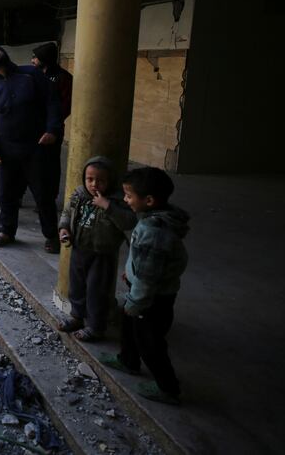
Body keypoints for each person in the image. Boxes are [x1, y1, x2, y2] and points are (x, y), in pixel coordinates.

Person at [99, 167, 189, 405]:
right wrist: (131, 275)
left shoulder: (154, 232)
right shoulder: (152, 220)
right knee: (128, 326)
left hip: (152, 299)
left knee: (150, 343)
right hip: (143, 290)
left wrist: (137, 301)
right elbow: (144, 264)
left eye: (129, 196)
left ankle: (168, 387)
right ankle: (128, 360)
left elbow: (149, 275)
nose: (125, 200)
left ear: (149, 200)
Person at [0, 44, 62, 252]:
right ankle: (7, 231)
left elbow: (53, 102)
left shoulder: (31, 74)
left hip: (35, 147)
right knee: (6, 194)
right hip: (7, 151)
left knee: (43, 195)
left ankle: (52, 235)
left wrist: (52, 129)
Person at [57, 156, 136, 341]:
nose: (94, 184)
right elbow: (67, 213)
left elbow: (128, 223)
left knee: (96, 292)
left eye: (101, 181)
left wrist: (107, 206)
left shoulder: (117, 201)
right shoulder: (80, 195)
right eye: (90, 179)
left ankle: (95, 326)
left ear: (110, 181)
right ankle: (76, 316)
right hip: (79, 249)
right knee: (76, 287)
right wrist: (64, 229)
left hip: (102, 254)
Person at [31, 42, 74, 204]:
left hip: (51, 130)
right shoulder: (34, 75)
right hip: (33, 127)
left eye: (35, 57)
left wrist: (51, 126)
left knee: (50, 165)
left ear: (44, 58)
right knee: (31, 163)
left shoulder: (63, 78)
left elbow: (65, 106)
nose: (32, 60)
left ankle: (48, 198)